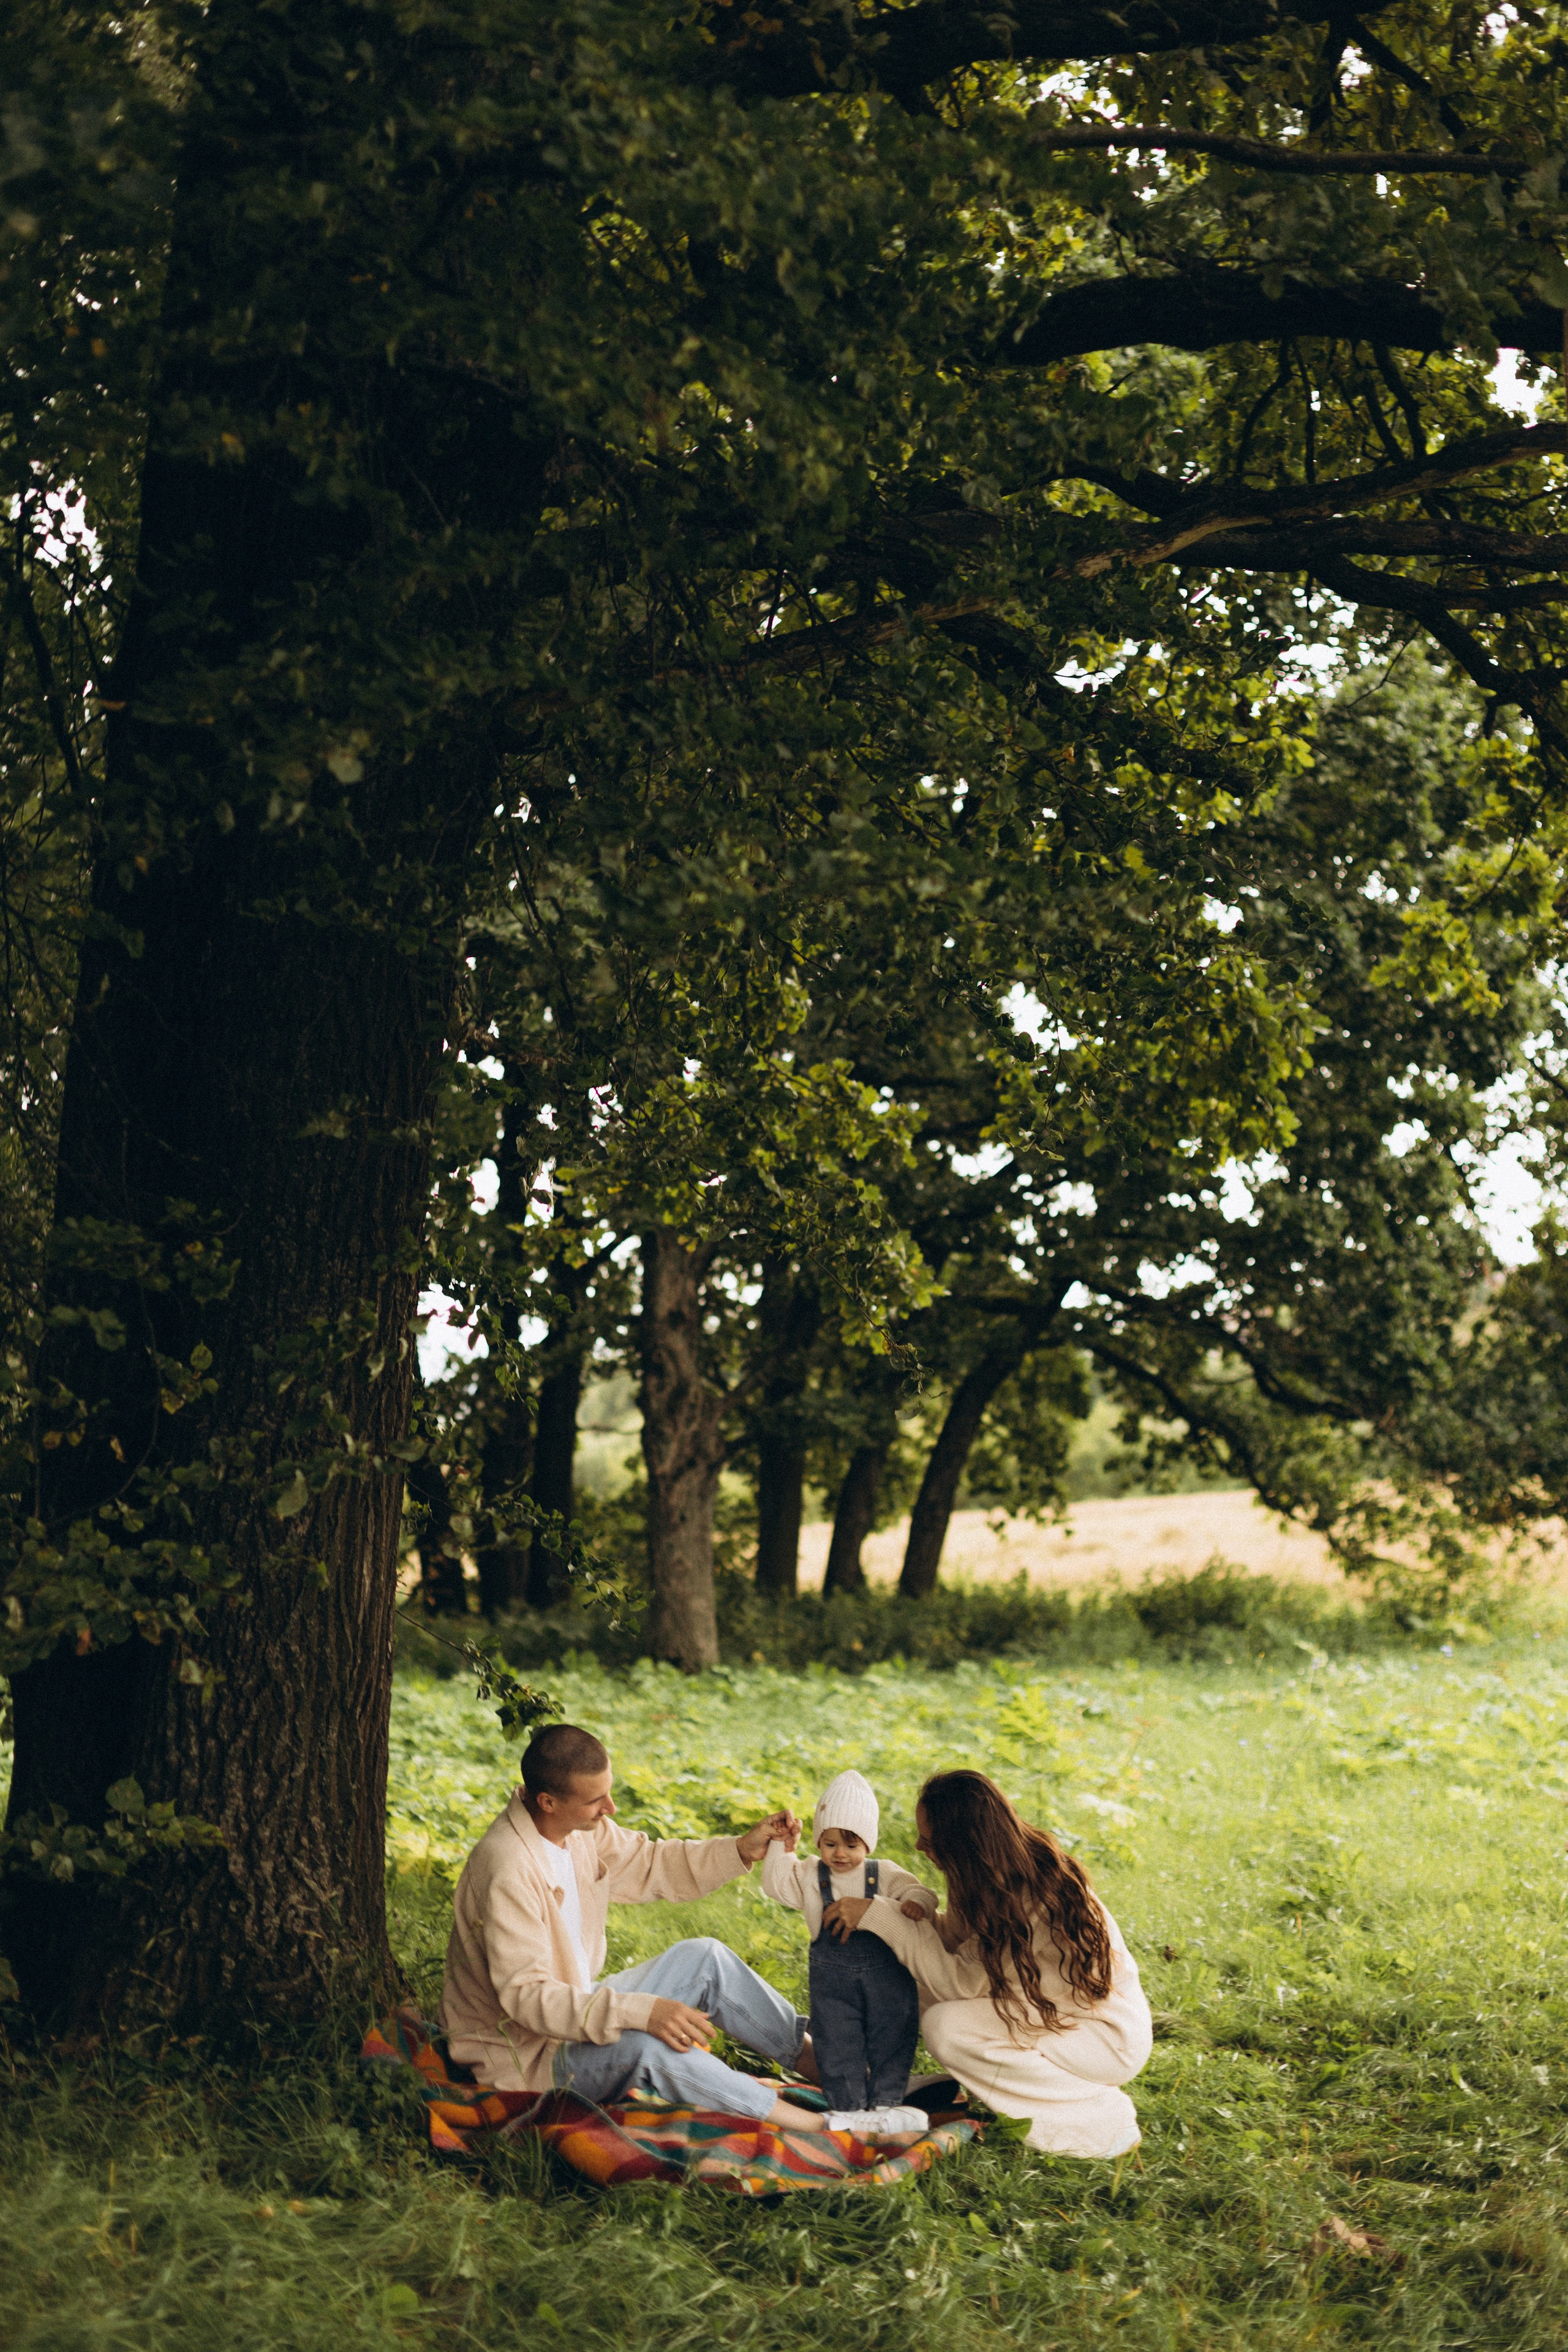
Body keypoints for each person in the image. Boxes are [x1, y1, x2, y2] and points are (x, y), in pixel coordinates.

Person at [439, 1721, 831, 2133]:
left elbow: (651, 1862)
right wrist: (642, 2013)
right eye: (596, 1800)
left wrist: (740, 1849)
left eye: (607, 1792)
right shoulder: (507, 1868)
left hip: (575, 2010)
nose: (610, 1807)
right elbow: (529, 1998)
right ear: (548, 1802)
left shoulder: (577, 1830)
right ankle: (817, 2126)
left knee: (706, 1958)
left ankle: (831, 2071)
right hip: (525, 2058)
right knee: (646, 2046)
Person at [823, 1768, 1153, 2157]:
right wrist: (899, 1915)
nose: (917, 1845)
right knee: (897, 1970)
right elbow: (958, 1945)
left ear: (962, 1844)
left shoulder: (1038, 1896)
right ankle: (899, 2088)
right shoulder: (986, 1875)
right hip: (1046, 2013)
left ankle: (1099, 2120)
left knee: (947, 2027)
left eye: (929, 1838)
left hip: (1103, 2037)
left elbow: (961, 1984)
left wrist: (883, 1917)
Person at [761, 1768, 934, 2134]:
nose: (840, 1854)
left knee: (893, 2034)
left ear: (868, 1845)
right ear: (818, 1841)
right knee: (836, 2041)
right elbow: (777, 1884)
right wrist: (781, 1847)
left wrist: (916, 1903)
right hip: (833, 1985)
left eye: (851, 1846)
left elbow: (920, 1891)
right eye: (830, 1844)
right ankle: (849, 2107)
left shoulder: (883, 1873)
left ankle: (887, 2102)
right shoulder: (811, 1875)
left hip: (887, 1980)